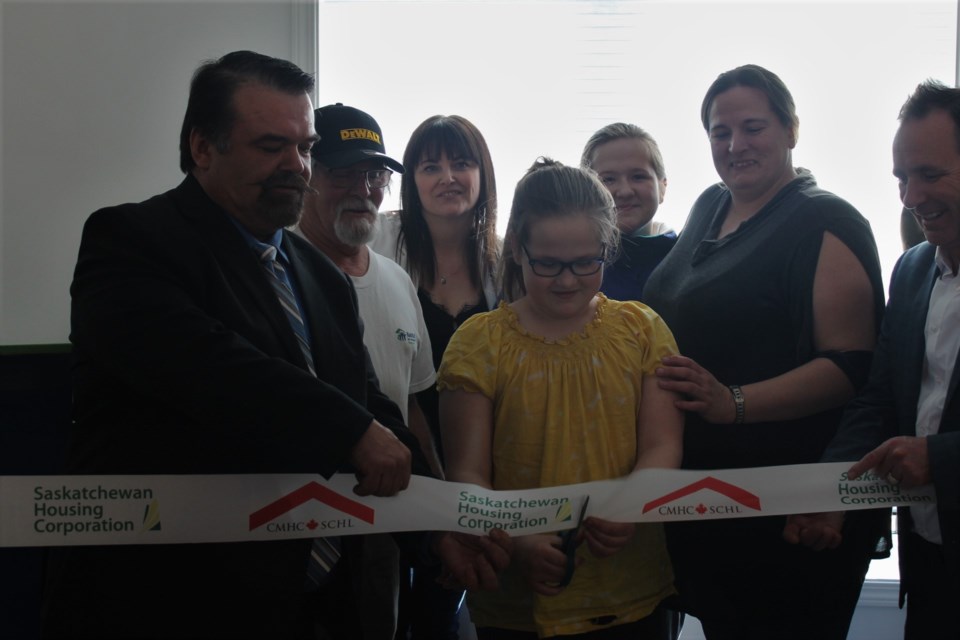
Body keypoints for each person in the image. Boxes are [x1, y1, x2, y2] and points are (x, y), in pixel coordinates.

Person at [39, 51, 508, 640]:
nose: (296, 166)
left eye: (305, 148)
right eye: (270, 147)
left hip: (320, 605)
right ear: (202, 147)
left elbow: (373, 407)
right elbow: (204, 367)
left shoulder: (321, 276)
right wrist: (351, 432)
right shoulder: (130, 240)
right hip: (171, 601)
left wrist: (437, 523)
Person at [642, 64, 889, 639]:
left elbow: (852, 368)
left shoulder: (825, 220)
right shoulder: (709, 205)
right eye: (719, 133)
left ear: (791, 129)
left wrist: (735, 402)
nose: (735, 145)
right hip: (707, 499)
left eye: (753, 128)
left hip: (790, 508)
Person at [439, 157, 684, 639]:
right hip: (519, 593)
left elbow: (662, 446)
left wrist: (631, 503)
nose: (567, 280)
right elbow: (467, 473)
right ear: (516, 249)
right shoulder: (478, 343)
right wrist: (513, 540)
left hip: (628, 590)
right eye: (548, 264)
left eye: (586, 262)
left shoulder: (642, 329)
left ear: (607, 250)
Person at [784, 79, 960, 640]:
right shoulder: (911, 271)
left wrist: (943, 458)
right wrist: (832, 493)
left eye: (930, 175)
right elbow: (878, 399)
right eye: (902, 179)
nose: (911, 197)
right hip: (931, 568)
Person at [298, 102, 445, 639]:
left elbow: (410, 405)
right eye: (342, 172)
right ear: (306, 175)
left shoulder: (396, 279)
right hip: (293, 520)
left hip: (384, 519)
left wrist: (437, 504)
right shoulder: (278, 270)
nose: (363, 187)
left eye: (374, 173)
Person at [370, 114, 500, 640]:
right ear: (411, 180)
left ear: (482, 174)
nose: (448, 176)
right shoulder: (380, 240)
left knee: (439, 617)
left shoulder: (506, 259)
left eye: (462, 163)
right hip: (395, 457)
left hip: (476, 466)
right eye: (431, 166)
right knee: (380, 609)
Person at [580, 122, 676, 301]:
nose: (624, 191)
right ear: (585, 190)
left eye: (638, 176)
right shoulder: (568, 267)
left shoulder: (684, 260)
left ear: (662, 187)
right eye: (608, 179)